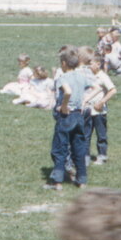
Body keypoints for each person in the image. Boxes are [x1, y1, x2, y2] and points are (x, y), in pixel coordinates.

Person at [46, 47, 92, 191]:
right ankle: (81, 180)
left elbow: (68, 91)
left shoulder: (63, 78)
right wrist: (85, 101)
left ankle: (57, 182)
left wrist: (64, 106)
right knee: (79, 148)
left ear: (64, 63)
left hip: (66, 117)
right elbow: (97, 87)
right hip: (79, 116)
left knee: (60, 148)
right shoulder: (82, 77)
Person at [83, 54, 117, 166]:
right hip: (87, 110)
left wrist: (102, 102)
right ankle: (85, 156)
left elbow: (113, 90)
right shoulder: (87, 75)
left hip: (99, 111)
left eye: (91, 64)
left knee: (101, 134)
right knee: (85, 134)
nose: (89, 66)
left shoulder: (102, 76)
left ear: (98, 64)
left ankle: (102, 155)